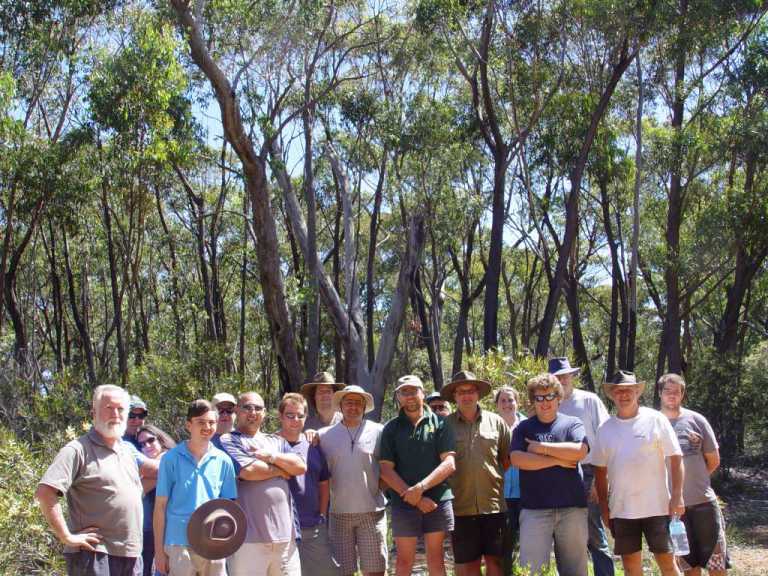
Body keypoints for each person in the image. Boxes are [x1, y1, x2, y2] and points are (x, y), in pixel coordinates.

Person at [35, 384, 159, 576]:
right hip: (94, 555)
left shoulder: (127, 452)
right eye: (108, 408)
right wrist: (67, 537)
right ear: (93, 413)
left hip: (132, 555)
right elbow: (45, 493)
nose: (115, 415)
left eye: (120, 409)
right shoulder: (77, 450)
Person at [593, 371, 684, 576]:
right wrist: (605, 509)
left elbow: (676, 457)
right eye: (618, 391)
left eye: (628, 390)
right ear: (612, 395)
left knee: (668, 564)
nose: (623, 395)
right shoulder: (605, 429)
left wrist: (677, 496)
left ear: (637, 392)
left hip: (658, 507)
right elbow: (600, 471)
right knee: (631, 567)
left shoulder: (655, 419)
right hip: (623, 510)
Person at [509, 373, 589, 576]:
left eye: (550, 396)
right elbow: (518, 459)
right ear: (533, 400)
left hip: (572, 509)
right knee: (532, 572)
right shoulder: (524, 428)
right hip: (534, 511)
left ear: (559, 398)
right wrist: (559, 460)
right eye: (539, 397)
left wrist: (541, 448)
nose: (545, 402)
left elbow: (580, 451)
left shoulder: (572, 424)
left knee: (575, 571)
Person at [220, 391, 307, 576]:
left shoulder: (277, 441)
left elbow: (300, 466)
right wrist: (282, 470)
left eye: (258, 408)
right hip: (247, 540)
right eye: (247, 407)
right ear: (237, 410)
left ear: (265, 413)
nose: (253, 412)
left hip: (286, 539)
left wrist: (271, 457)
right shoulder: (228, 439)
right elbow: (248, 471)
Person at [380, 375, 457, 576]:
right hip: (403, 503)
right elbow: (386, 470)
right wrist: (414, 497)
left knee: (436, 558)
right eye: (404, 392)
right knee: (404, 562)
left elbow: (449, 463)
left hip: (437, 501)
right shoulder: (391, 428)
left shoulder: (441, 423)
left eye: (414, 391)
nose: (410, 396)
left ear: (422, 393)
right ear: (398, 397)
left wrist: (420, 489)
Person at [153, 399, 237, 575]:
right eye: (201, 422)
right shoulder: (171, 459)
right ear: (188, 425)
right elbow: (160, 507)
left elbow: (229, 507)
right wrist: (159, 553)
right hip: (178, 544)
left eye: (211, 422)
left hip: (214, 542)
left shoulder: (224, 460)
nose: (207, 427)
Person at [658, 373, 729, 576]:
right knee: (688, 566)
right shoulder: (653, 423)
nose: (672, 396)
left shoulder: (696, 420)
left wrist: (695, 480)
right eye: (667, 391)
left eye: (676, 392)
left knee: (717, 565)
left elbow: (713, 460)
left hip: (704, 504)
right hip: (672, 512)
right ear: (660, 393)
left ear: (682, 394)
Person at [442, 371, 511, 576]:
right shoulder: (445, 427)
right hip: (461, 508)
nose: (466, 395)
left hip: (494, 506)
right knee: (468, 566)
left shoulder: (496, 422)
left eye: (470, 390)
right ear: (454, 396)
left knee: (496, 563)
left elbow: (505, 460)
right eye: (461, 391)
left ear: (478, 393)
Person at [550, 357, 615, 576]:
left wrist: (599, 479)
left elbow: (606, 436)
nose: (562, 380)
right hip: (558, 475)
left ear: (572, 376)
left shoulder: (589, 400)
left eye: (565, 375)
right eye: (557, 377)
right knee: (565, 535)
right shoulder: (549, 405)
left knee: (595, 535)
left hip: (589, 471)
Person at [318, 385, 387, 576]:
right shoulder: (323, 436)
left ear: (364, 407)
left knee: (375, 570)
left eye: (358, 403)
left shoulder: (379, 431)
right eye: (349, 402)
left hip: (372, 513)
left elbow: (389, 466)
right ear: (340, 406)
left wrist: (378, 488)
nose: (353, 407)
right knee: (342, 572)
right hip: (338, 513)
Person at [277, 392, 341, 576]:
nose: (295, 420)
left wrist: (321, 514)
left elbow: (323, 482)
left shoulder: (312, 446)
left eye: (300, 415)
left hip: (312, 528)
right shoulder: (270, 444)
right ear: (280, 416)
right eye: (290, 415)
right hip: (281, 531)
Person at [137, 425, 177, 576]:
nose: (146, 446)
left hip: (171, 534)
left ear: (161, 439)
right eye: (141, 444)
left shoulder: (171, 459)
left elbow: (138, 489)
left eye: (150, 440)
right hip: (149, 535)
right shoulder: (153, 465)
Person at [494, 385, 526, 576]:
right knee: (506, 545)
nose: (507, 404)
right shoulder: (490, 427)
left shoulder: (528, 426)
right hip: (501, 496)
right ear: (497, 405)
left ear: (517, 402)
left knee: (529, 544)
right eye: (503, 401)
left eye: (511, 400)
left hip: (528, 494)